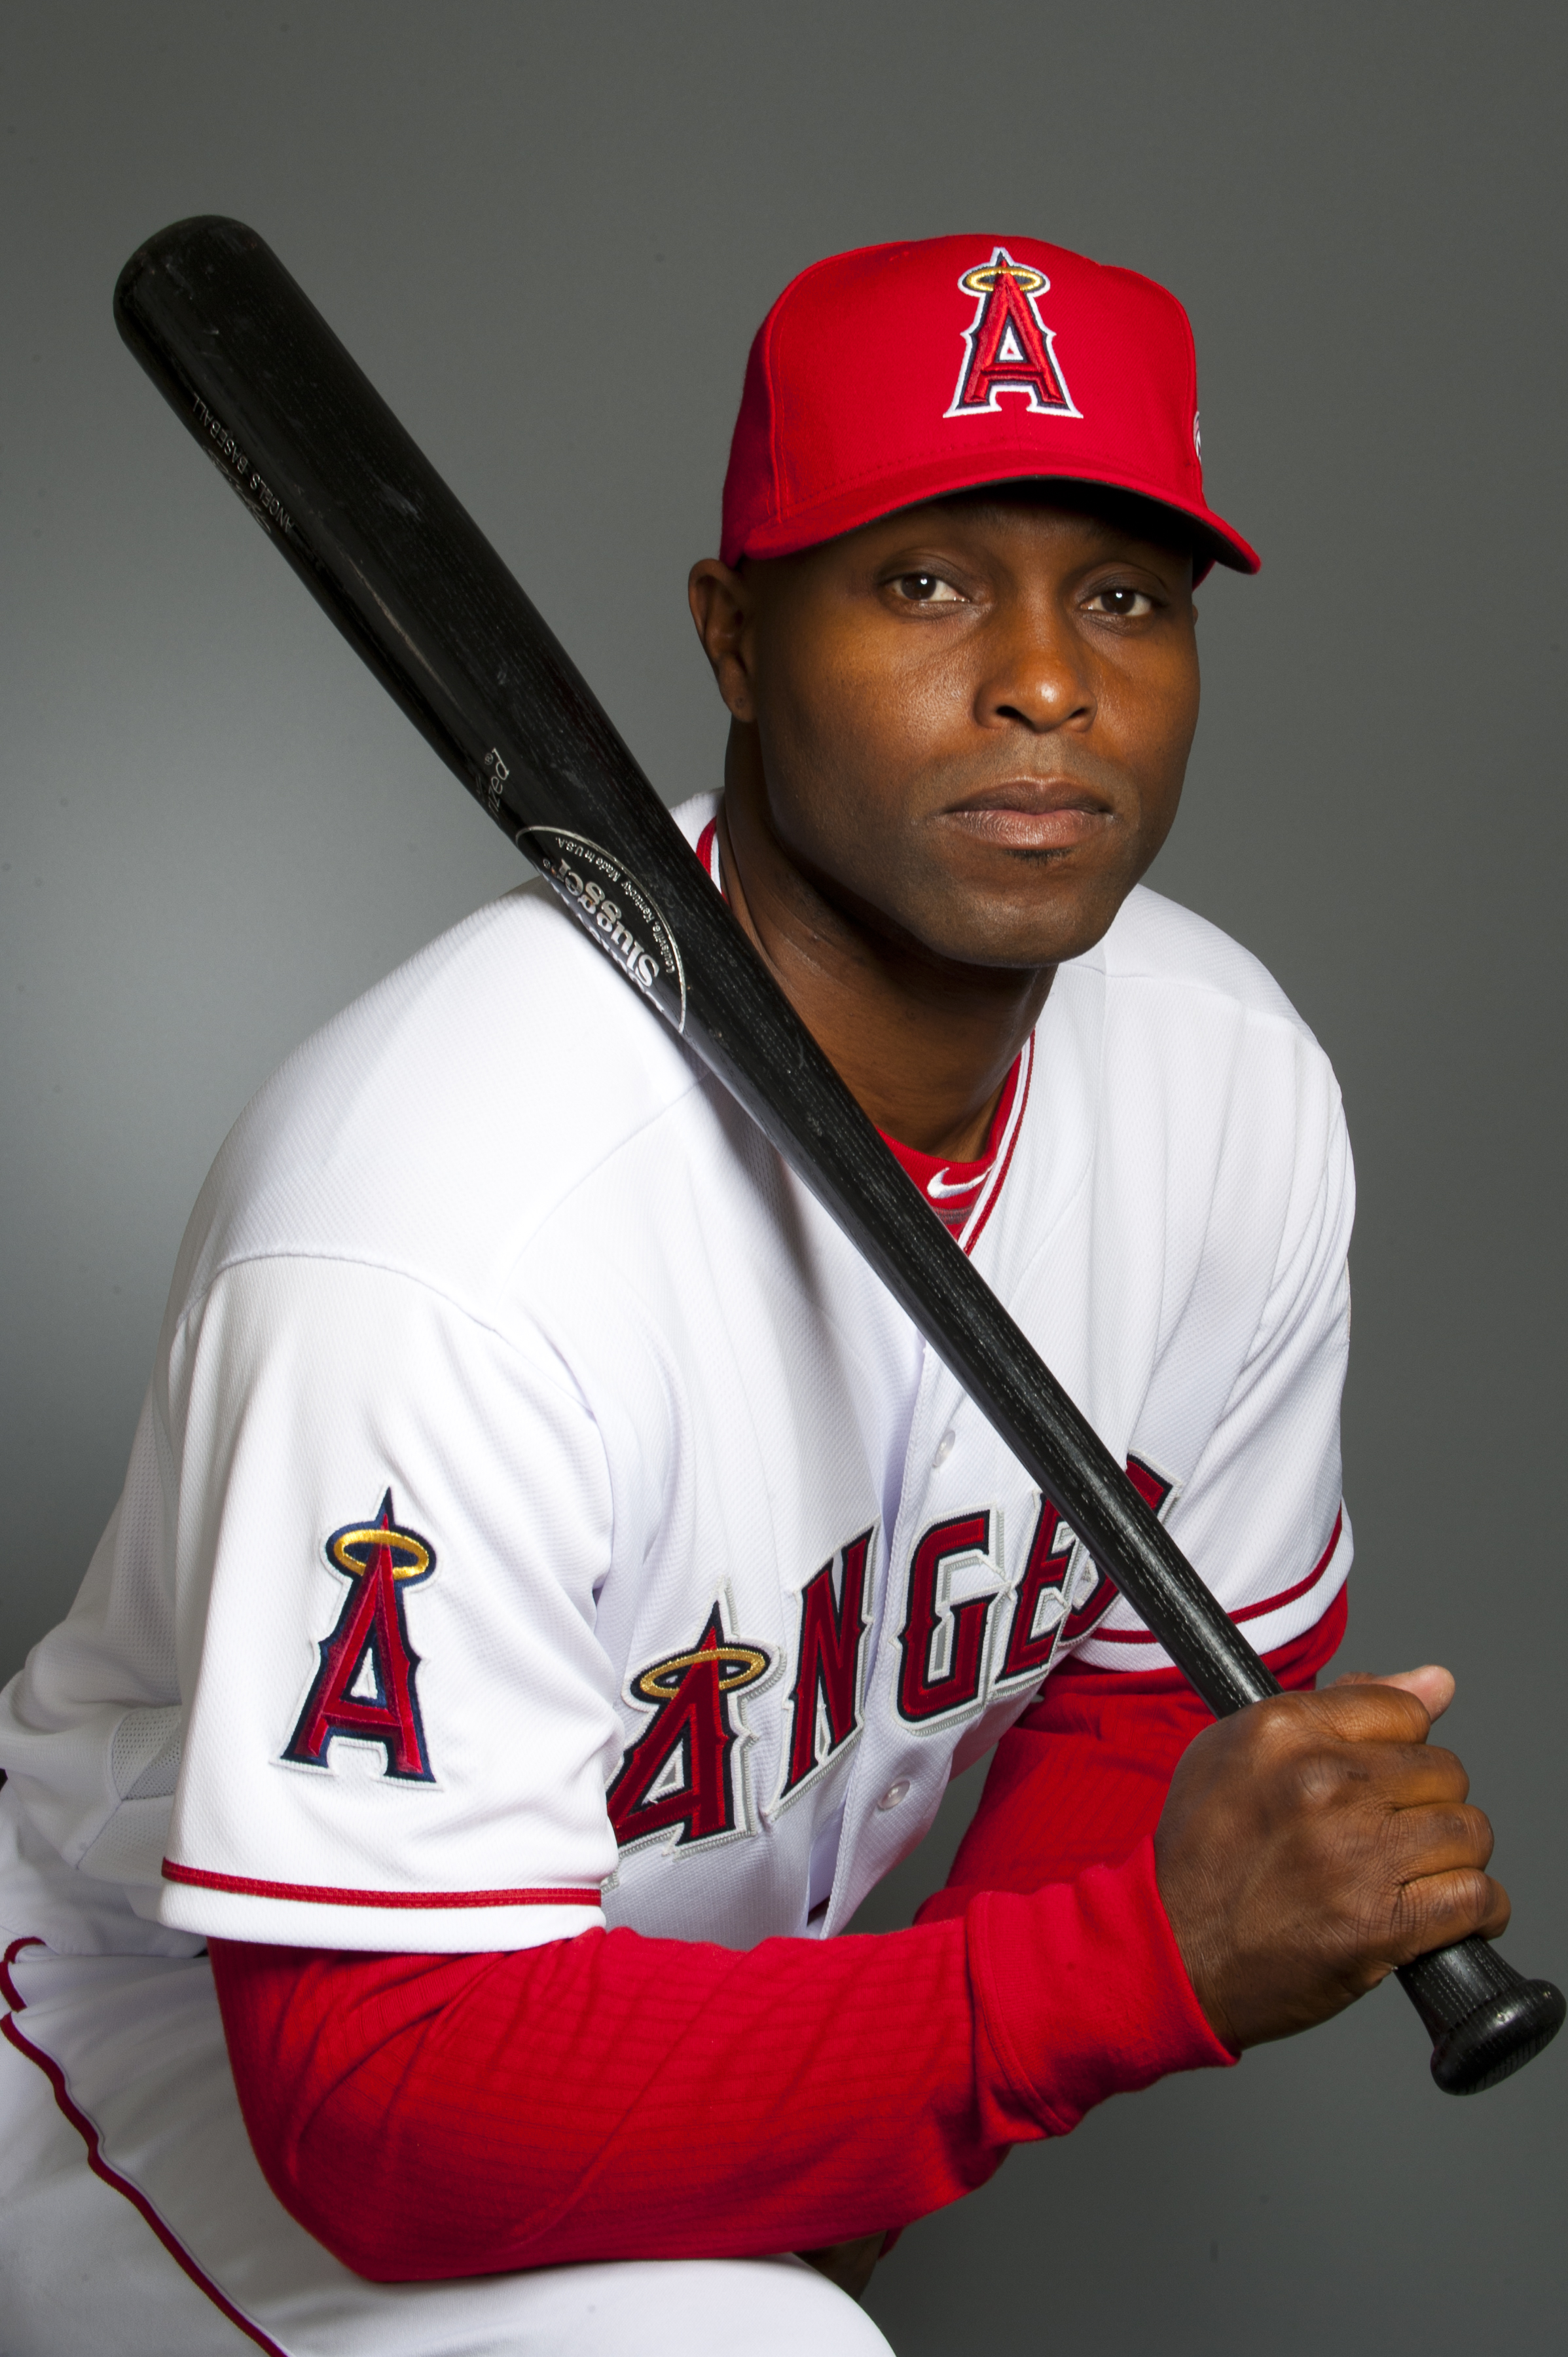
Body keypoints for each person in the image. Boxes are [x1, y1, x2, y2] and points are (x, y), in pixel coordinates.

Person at [0, 234, 1504, 2357]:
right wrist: (1109, 1989)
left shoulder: (1223, 1080)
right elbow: (383, 2092)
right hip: (172, 2039)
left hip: (659, 2031)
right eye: (922, 582)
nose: (1046, 683)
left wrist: (879, 2149)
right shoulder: (446, 1214)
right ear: (729, 631)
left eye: (1124, 596)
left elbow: (1152, 1682)